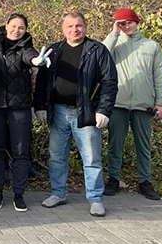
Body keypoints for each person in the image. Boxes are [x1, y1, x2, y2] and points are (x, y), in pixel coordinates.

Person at [34, 11, 118, 217]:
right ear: (63, 29)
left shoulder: (97, 50)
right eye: (70, 26)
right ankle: (58, 193)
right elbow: (42, 82)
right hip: (58, 112)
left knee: (91, 158)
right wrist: (41, 107)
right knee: (56, 157)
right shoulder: (54, 51)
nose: (75, 30)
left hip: (87, 113)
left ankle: (96, 198)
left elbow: (109, 82)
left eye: (78, 25)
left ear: (85, 27)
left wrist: (103, 110)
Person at [0, 14, 51, 212]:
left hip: (19, 108)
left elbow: (29, 56)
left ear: (25, 30)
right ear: (6, 26)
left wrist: (36, 61)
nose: (16, 30)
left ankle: (19, 193)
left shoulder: (25, 47)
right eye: (13, 26)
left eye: (21, 28)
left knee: (20, 152)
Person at [102, 8, 162, 201]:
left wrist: (160, 103)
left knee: (144, 145)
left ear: (137, 23)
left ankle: (144, 182)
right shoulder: (114, 44)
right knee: (115, 145)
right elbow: (101, 55)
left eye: (130, 22)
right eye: (122, 23)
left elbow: (160, 76)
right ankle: (113, 179)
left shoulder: (151, 46)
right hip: (118, 103)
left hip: (144, 104)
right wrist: (114, 33)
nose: (127, 26)